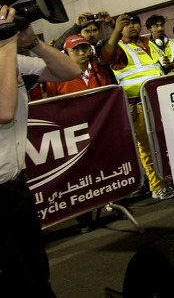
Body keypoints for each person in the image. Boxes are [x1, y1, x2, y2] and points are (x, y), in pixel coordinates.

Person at [1, 4, 81, 297]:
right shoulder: (6, 58)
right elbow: (4, 111)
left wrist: (32, 43)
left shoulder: (11, 60)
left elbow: (70, 70)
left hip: (14, 186)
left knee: (36, 269)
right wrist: (8, 44)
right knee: (13, 278)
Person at [45, 34, 116, 233]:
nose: (82, 52)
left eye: (85, 48)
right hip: (75, 134)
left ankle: (115, 201)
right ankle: (84, 216)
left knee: (109, 166)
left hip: (103, 129)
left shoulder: (101, 71)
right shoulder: (57, 76)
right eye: (76, 49)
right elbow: (54, 107)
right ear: (66, 53)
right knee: (81, 174)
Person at [101, 13, 174, 200]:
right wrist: (115, 30)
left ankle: (169, 177)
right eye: (127, 24)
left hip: (159, 99)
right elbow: (107, 56)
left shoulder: (150, 43)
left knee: (166, 142)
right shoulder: (119, 47)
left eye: (135, 23)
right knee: (148, 147)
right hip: (137, 104)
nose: (132, 26)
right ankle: (157, 186)